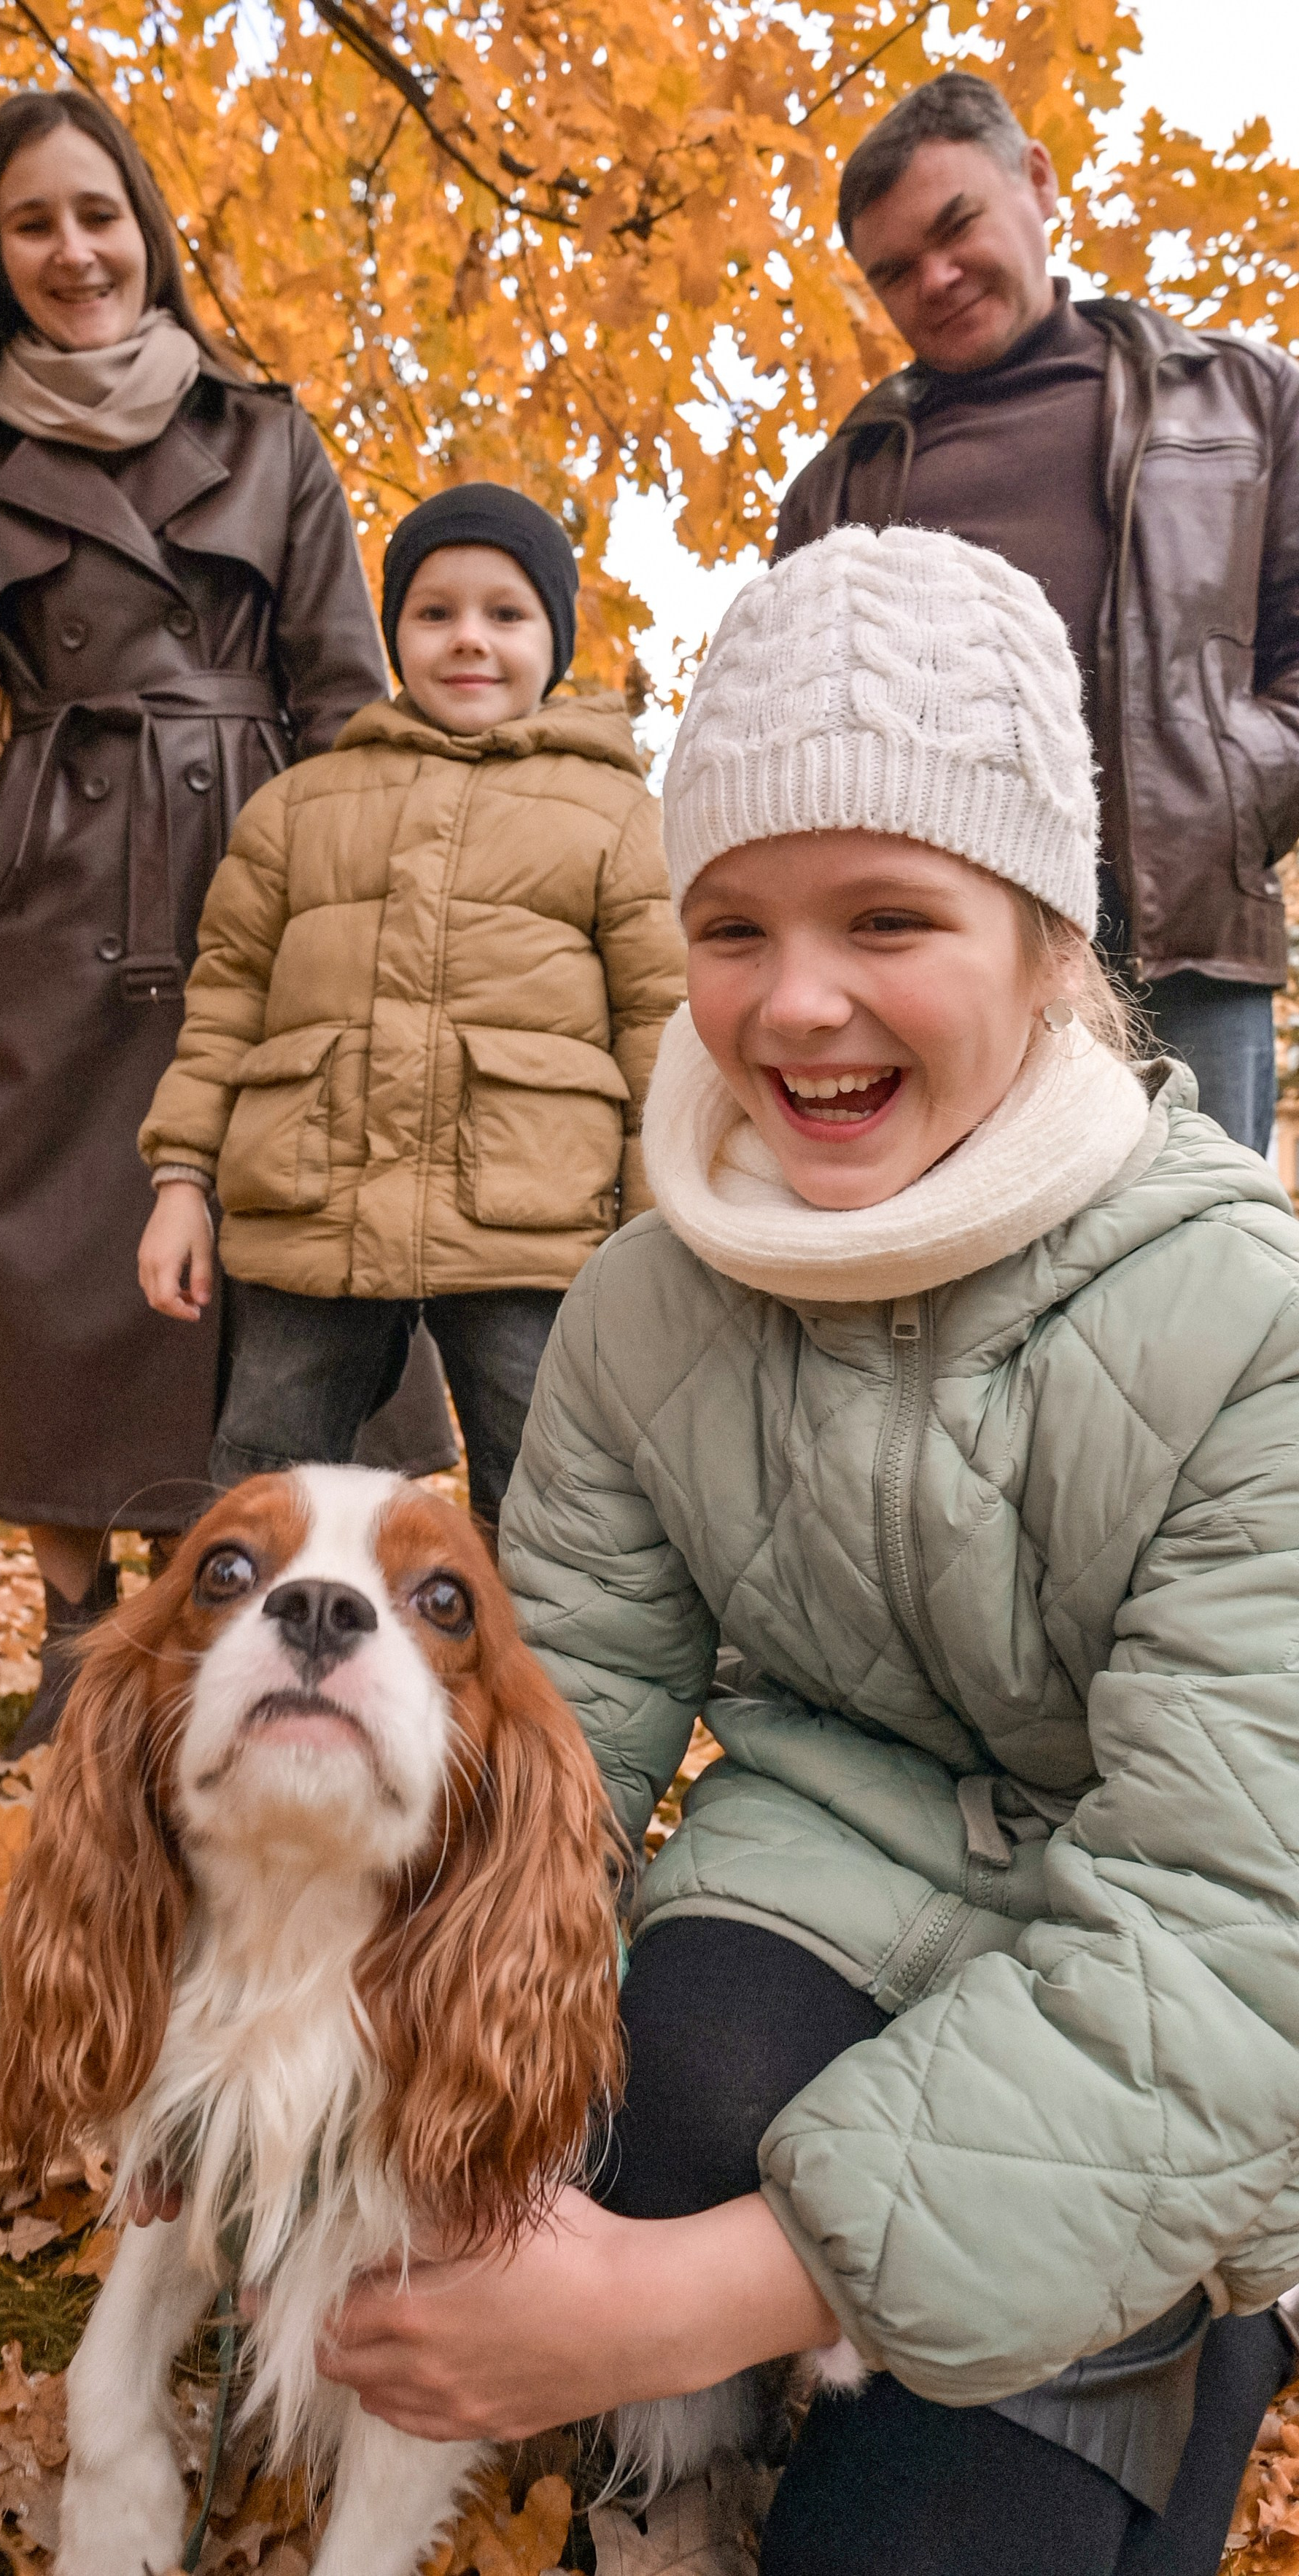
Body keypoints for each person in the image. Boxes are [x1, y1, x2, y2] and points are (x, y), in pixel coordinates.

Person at [311, 528, 1299, 2576]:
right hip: (821, 1878)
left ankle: (1181, 2342)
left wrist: (663, 2301)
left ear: (1046, 938)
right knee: (648, 2080)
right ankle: (698, 2447)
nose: (796, 1003)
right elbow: (547, 1757)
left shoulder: (1249, 1324)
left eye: (887, 917)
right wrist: (290, 2061)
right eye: (733, 927)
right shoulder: (644, 1307)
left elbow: (1230, 1932)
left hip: (1177, 2007)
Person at [0, 90, 389, 1745]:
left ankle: (201, 1613)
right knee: (45, 1259)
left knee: (249, 1254)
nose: (73, 251)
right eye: (32, 224)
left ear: (146, 228)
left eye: (97, 213)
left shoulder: (271, 437)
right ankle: (75, 1628)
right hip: (49, 903)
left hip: (252, 882)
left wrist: (365, 913)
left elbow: (346, 697)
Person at [136, 483, 684, 1528]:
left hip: (532, 1226)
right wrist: (179, 1183)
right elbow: (225, 1004)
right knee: (261, 1486)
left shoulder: (618, 818)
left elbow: (662, 1031)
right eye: (435, 613)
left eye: (505, 613)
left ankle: (542, 1647)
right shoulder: (297, 809)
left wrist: (656, 1235)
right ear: (395, 636)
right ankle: (250, 1638)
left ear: (554, 640)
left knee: (550, 1498)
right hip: (313, 1215)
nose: (469, 638)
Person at [774, 70, 1299, 1156]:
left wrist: (1237, 790)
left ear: (1040, 179)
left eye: (955, 225)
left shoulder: (1246, 398)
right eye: (893, 270)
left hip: (1183, 946)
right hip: (933, 969)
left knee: (1202, 1249)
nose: (936, 277)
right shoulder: (837, 484)